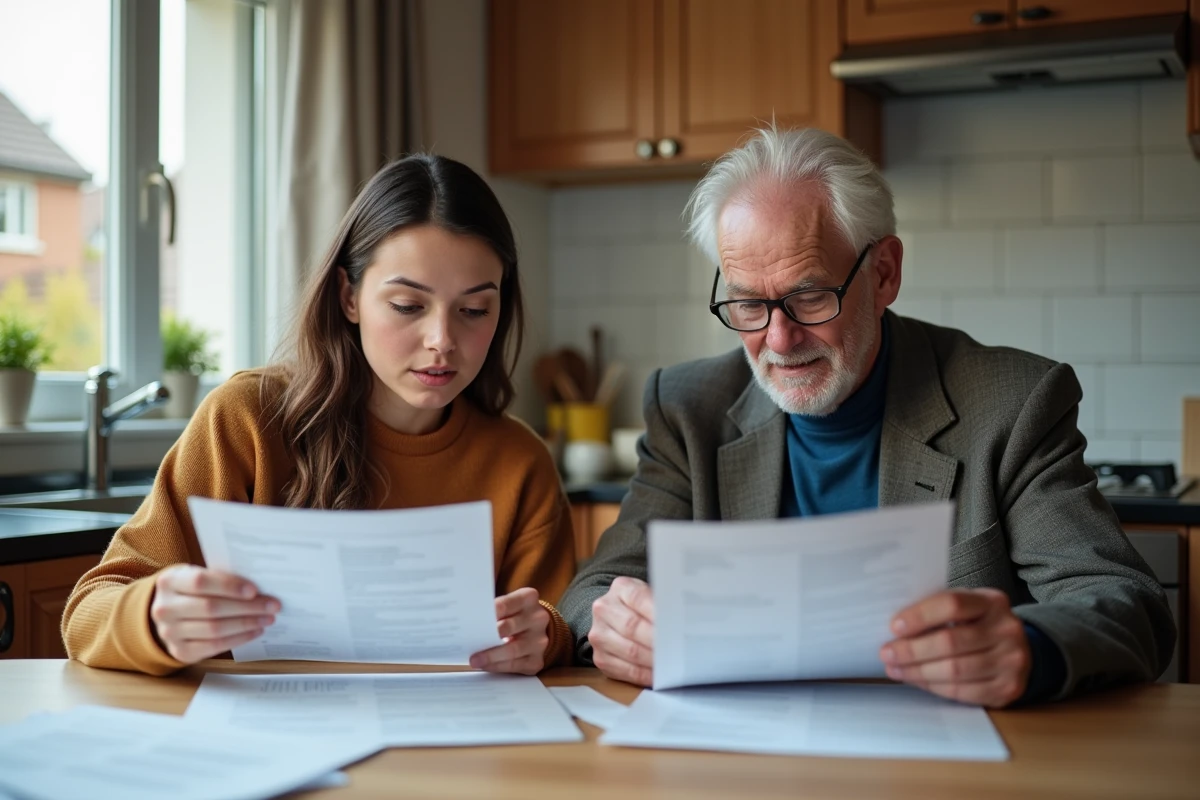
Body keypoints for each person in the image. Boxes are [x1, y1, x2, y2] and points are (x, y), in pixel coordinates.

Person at [558, 127, 1175, 707]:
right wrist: (621, 626)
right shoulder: (689, 406)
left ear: (884, 275)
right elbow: (594, 592)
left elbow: (1128, 606)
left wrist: (1030, 648)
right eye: (747, 303)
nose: (779, 339)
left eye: (808, 297)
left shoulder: (1011, 402)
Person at [64, 154, 575, 676]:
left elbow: (560, 626)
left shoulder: (520, 461)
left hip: (446, 745)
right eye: (406, 305)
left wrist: (546, 636)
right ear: (348, 296)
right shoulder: (246, 421)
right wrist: (153, 617)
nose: (442, 340)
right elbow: (89, 612)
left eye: (473, 310)